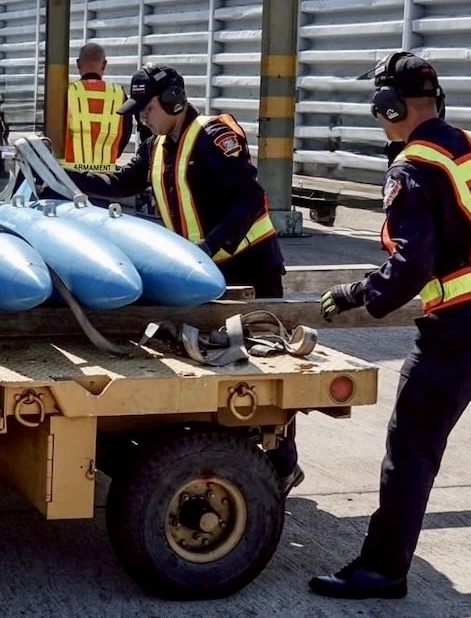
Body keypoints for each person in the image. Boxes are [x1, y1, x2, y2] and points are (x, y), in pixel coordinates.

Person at [311, 51, 471, 607]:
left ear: (388, 106)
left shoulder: (413, 164)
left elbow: (411, 265)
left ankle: (384, 570)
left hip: (462, 325)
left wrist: (360, 294)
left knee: (413, 447)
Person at [62, 62, 301, 495]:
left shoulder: (213, 135)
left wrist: (208, 249)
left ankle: (283, 464)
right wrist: (65, 181)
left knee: (268, 369)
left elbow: (249, 199)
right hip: (200, 272)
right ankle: (231, 452)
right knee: (216, 362)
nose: (141, 117)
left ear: (173, 101)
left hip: (247, 265)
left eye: (147, 108)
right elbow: (122, 182)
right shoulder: (156, 143)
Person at [64, 43, 132, 172]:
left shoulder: (67, 92)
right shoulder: (118, 94)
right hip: (105, 175)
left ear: (78, 64)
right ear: (104, 65)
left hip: (70, 175)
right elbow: (126, 132)